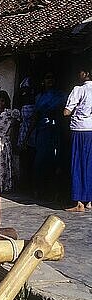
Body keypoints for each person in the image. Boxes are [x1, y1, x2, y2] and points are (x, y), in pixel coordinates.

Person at [29, 72, 66, 201]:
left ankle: (55, 192)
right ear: (43, 81)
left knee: (56, 162)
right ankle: (39, 190)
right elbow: (35, 116)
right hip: (43, 132)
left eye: (52, 78)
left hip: (55, 131)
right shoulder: (39, 97)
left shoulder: (60, 95)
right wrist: (28, 134)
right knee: (40, 161)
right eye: (47, 77)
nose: (49, 80)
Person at [64, 66, 92, 212]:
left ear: (86, 74)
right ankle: (90, 201)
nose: (78, 74)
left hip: (80, 129)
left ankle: (79, 201)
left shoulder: (79, 89)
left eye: (81, 72)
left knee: (77, 163)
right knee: (89, 163)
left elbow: (67, 111)